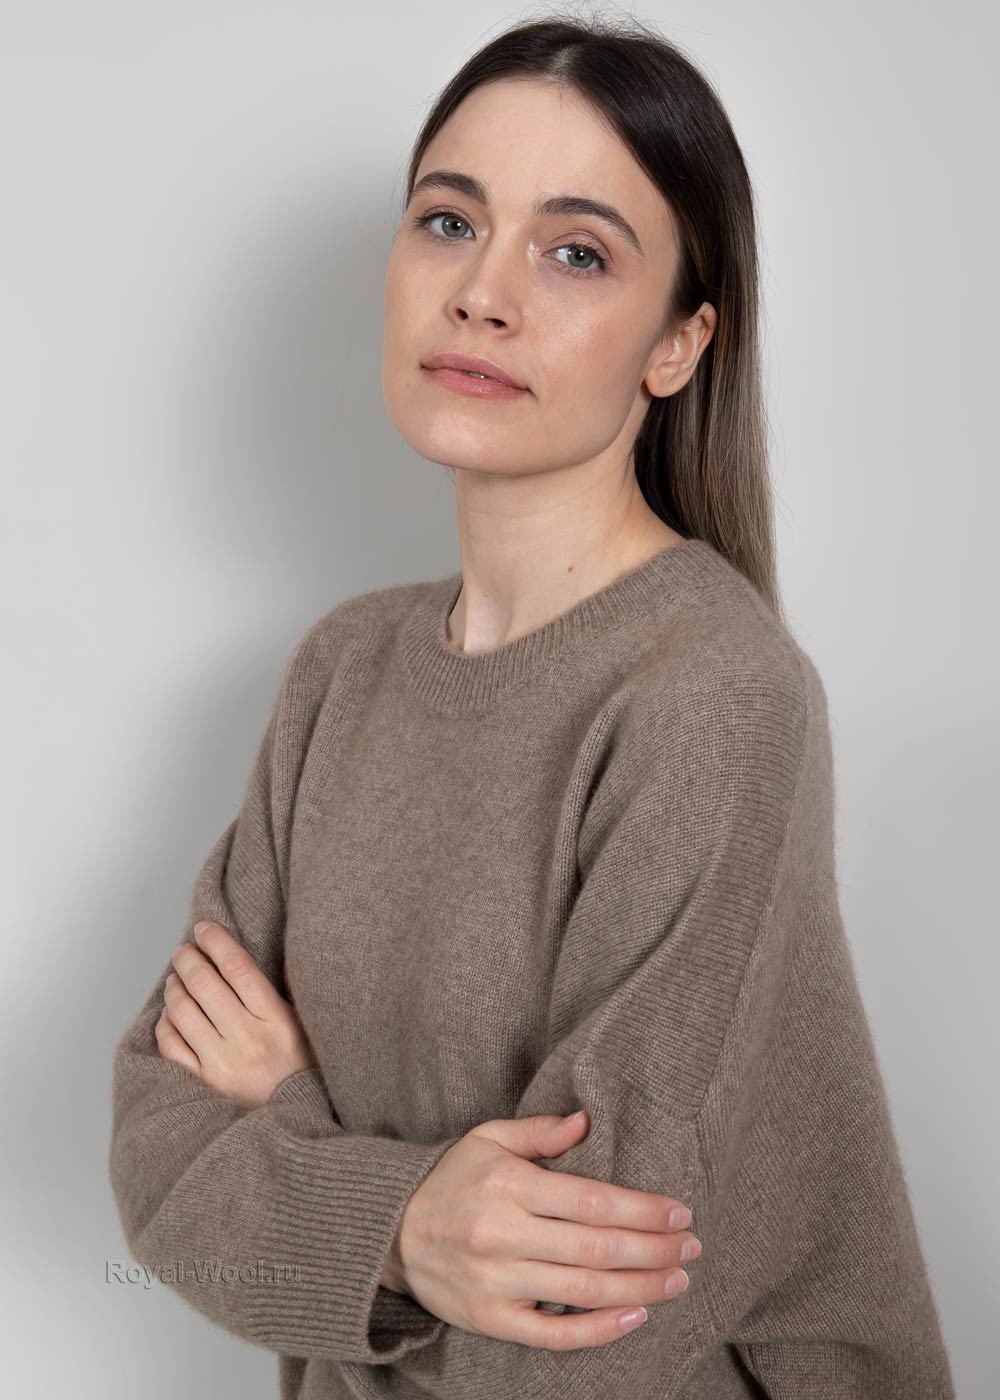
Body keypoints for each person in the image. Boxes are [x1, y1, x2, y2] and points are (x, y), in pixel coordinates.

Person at [108, 14, 956, 1399]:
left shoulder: (714, 697)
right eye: (450, 222)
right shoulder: (342, 671)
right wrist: (413, 1224)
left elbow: (577, 1329)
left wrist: (303, 1150)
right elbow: (159, 1164)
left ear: (679, 344)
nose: (483, 294)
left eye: (577, 253)